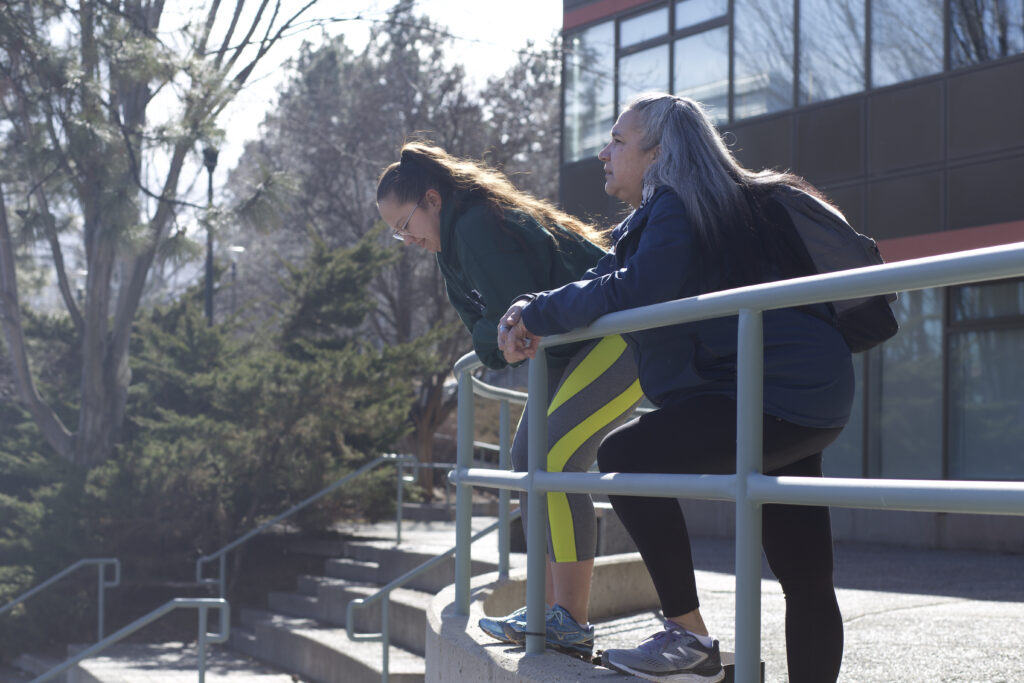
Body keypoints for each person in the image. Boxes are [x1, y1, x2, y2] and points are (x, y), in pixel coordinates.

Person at [498, 94, 853, 683]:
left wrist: (535, 317)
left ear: (657, 153)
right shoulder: (680, 210)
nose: (603, 152)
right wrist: (529, 309)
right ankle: (701, 642)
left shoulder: (678, 205)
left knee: (625, 456)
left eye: (617, 140)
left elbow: (638, 287)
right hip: (803, 393)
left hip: (772, 395)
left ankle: (688, 636)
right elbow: (605, 278)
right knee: (805, 573)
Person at [376, 142, 643, 659]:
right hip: (577, 347)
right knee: (529, 462)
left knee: (549, 460)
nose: (406, 239)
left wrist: (498, 334)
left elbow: (513, 329)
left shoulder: (474, 226)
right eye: (397, 233)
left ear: (433, 199)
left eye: (406, 223)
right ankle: (551, 612)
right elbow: (492, 334)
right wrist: (497, 334)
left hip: (622, 336)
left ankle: (568, 618)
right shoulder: (452, 245)